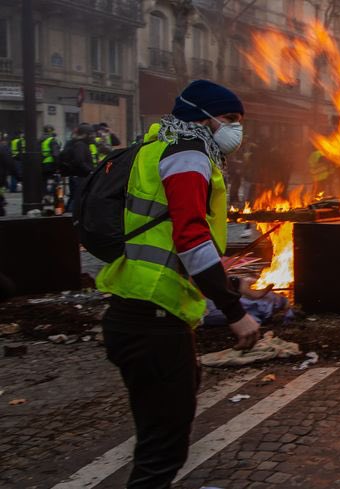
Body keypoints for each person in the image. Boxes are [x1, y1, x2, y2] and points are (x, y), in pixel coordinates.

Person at [96, 79, 260, 489]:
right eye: (230, 119)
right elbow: (190, 237)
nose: (235, 130)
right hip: (154, 317)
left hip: (137, 310)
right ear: (202, 118)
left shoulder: (159, 148)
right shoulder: (188, 156)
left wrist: (228, 281)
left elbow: (166, 235)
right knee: (162, 450)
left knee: (160, 433)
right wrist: (235, 313)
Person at [59, 123, 96, 213]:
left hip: (79, 176)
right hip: (79, 177)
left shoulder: (81, 144)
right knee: (77, 198)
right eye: (91, 134)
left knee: (75, 198)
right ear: (85, 134)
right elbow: (79, 161)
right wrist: (91, 171)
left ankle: (70, 216)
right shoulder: (80, 145)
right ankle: (70, 217)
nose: (93, 136)